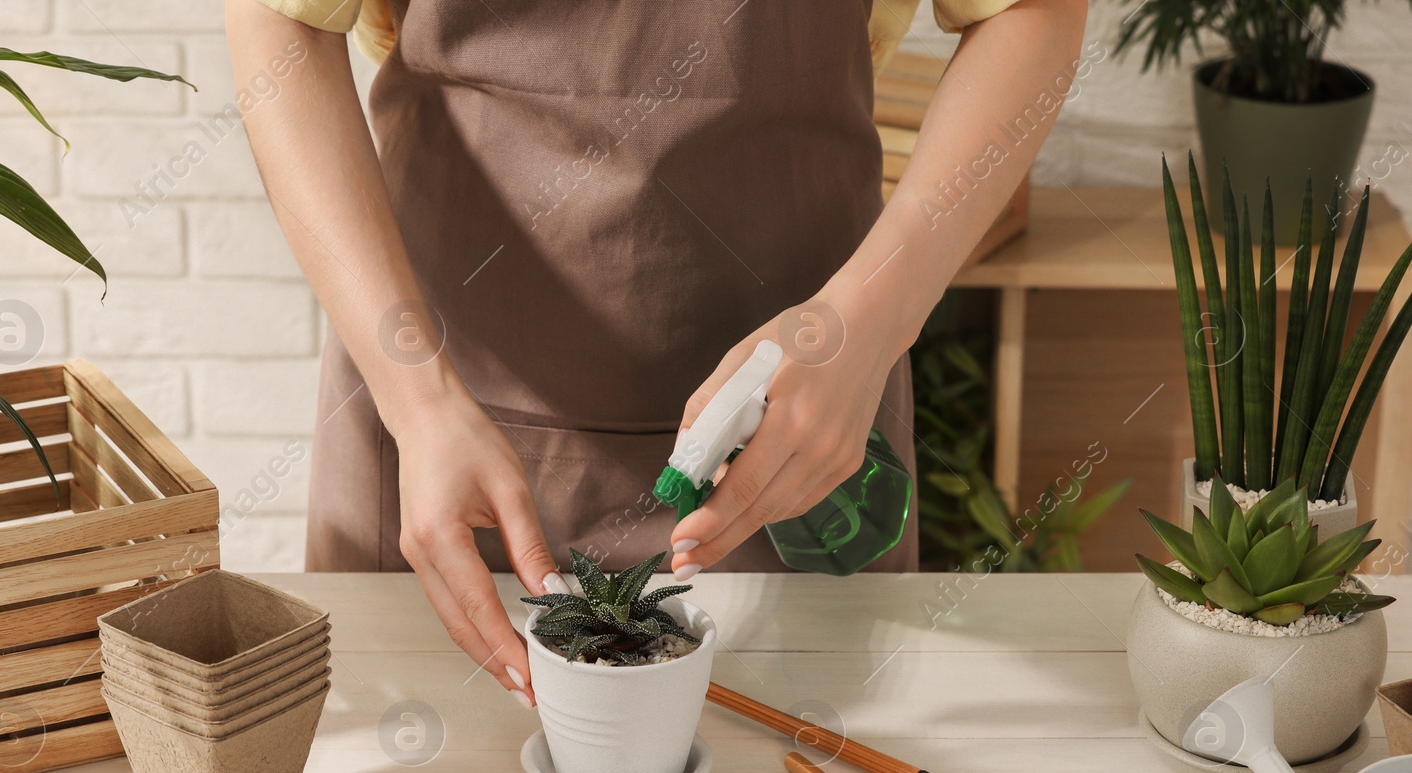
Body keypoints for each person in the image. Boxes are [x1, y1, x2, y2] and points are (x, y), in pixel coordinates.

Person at [227, 0, 1087, 706]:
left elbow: (1031, 12)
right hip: (438, 417)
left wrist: (867, 323)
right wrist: (416, 403)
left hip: (800, 420)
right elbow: (282, 21)